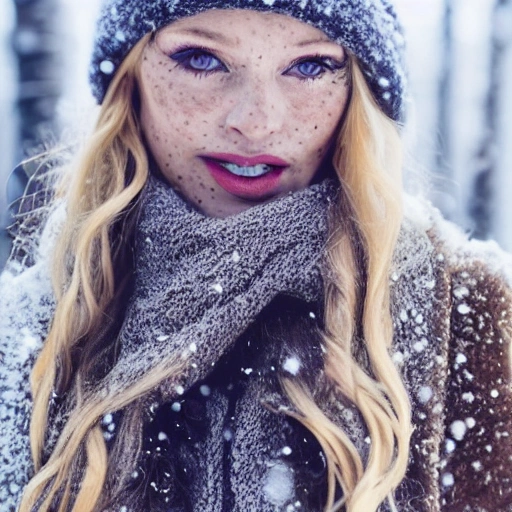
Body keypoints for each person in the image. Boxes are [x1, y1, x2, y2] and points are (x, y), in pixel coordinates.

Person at [0, 1, 511, 511]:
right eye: (202, 59)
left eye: (309, 66)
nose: (257, 122)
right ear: (130, 76)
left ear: (359, 90)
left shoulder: (471, 316)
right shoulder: (30, 335)